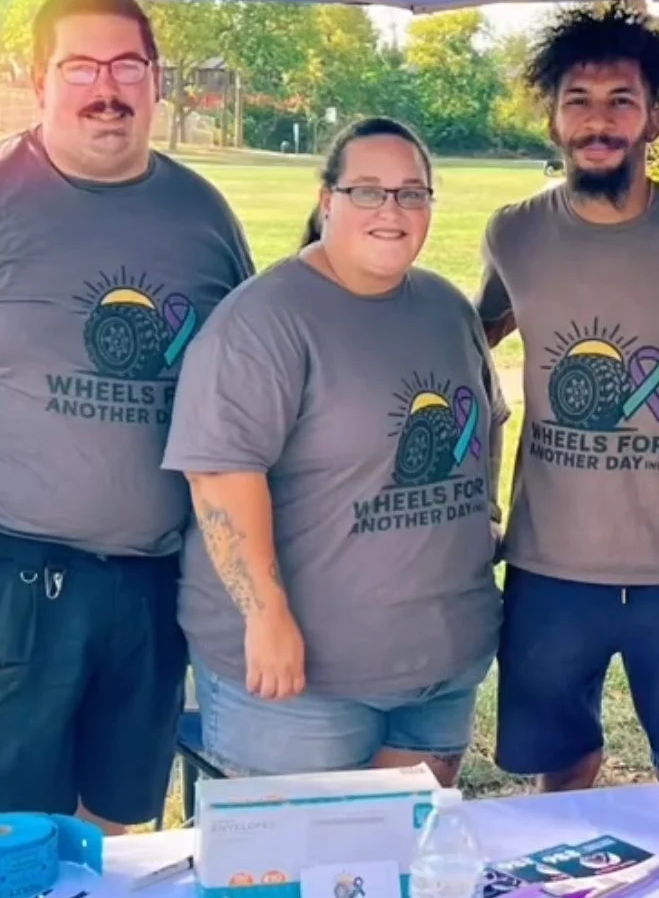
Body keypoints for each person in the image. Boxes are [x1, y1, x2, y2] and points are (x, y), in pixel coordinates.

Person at [0, 0, 255, 832]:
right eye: (81, 65)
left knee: (114, 826)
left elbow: (241, 387)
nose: (107, 86)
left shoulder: (202, 216)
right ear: (39, 78)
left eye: (127, 65)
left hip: (146, 582)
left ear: (156, 82)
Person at [162, 117, 509, 786]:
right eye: (367, 191)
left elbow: (485, 426)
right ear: (327, 202)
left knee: (407, 870)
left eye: (412, 193)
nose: (392, 209)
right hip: (301, 689)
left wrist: (482, 525)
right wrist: (265, 615)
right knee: (289, 878)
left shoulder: (444, 308)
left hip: (439, 667)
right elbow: (219, 474)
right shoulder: (264, 321)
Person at [476, 0, 659, 792]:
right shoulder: (513, 233)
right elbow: (472, 336)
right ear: (552, 117)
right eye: (579, 101)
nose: (597, 121)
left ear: (653, 118)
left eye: (620, 101)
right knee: (559, 775)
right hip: (548, 562)